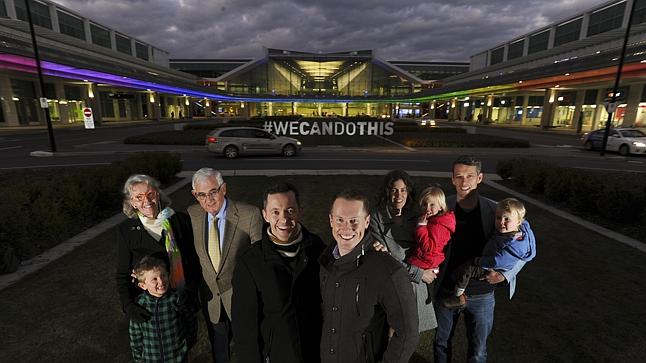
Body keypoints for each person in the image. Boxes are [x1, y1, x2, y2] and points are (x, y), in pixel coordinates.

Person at [433, 155, 528, 363]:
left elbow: (524, 245)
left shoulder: (495, 209)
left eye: (469, 176)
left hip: (482, 293)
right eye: (459, 176)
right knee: (441, 342)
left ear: (480, 178)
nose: (464, 182)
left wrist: (505, 275)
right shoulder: (442, 207)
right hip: (447, 288)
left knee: (478, 350)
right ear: (452, 179)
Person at [319, 189, 419, 363]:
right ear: (331, 221)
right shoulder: (325, 263)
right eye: (340, 220)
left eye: (354, 221)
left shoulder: (388, 270)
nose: (346, 228)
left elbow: (408, 334)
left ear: (366, 222)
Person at [232, 183, 325, 363]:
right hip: (276, 356)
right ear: (265, 214)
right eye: (275, 212)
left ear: (299, 211)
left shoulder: (317, 248)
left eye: (290, 210)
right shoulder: (250, 262)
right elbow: (244, 330)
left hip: (315, 352)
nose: (284, 219)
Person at [187, 168, 263, 363]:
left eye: (213, 192)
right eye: (201, 195)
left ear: (224, 188)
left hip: (242, 298)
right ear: (195, 195)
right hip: (212, 299)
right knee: (220, 351)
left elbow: (261, 261)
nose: (208, 199)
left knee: (250, 350)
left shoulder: (250, 215)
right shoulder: (193, 215)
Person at [116, 174, 198, 325]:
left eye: (150, 194)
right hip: (147, 305)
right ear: (132, 203)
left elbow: (193, 261)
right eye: (138, 197)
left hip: (180, 300)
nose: (146, 201)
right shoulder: (126, 231)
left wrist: (191, 293)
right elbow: (123, 274)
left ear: (157, 194)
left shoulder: (180, 220)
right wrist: (129, 306)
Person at [369, 170, 438, 333]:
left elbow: (431, 245)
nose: (398, 195)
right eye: (394, 190)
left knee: (411, 334)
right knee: (390, 333)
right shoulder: (376, 217)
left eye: (403, 190)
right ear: (387, 192)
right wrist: (419, 273)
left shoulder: (417, 215)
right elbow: (384, 259)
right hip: (392, 282)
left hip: (415, 285)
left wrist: (432, 267)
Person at [443, 198, 536, 309]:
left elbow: (500, 260)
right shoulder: (447, 203)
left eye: (507, 219)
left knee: (466, 269)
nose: (501, 222)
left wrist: (503, 274)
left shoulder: (516, 241)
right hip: (450, 280)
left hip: (489, 269)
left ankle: (458, 296)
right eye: (498, 218)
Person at [129, 256, 195, 363]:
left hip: (177, 358)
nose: (161, 281)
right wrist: (139, 358)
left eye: (163, 275)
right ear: (143, 285)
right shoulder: (139, 306)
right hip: (151, 358)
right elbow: (135, 335)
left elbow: (190, 321)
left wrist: (188, 343)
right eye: (154, 279)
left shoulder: (176, 299)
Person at [407, 185, 456, 301]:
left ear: (440, 206)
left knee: (404, 269)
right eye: (424, 204)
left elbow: (428, 247)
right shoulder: (434, 220)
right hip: (428, 259)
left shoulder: (439, 225)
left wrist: (421, 227)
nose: (427, 208)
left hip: (426, 260)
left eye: (432, 204)